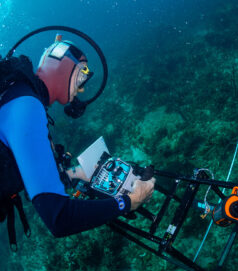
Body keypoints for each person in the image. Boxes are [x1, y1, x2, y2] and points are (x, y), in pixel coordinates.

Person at [0, 36, 155, 243]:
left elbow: (30, 179)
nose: (82, 88)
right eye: (83, 75)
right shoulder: (27, 108)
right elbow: (59, 218)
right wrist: (129, 202)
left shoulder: (17, 98)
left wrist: (75, 173)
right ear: (63, 68)